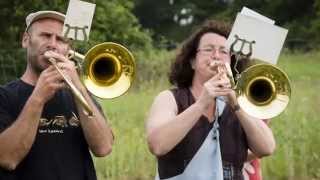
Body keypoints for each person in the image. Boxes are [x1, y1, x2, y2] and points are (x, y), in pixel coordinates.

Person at [145, 20, 276, 180]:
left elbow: (267, 148)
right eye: (208, 49)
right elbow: (157, 145)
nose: (216, 55)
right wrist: (201, 103)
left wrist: (235, 102)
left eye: (223, 51)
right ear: (192, 61)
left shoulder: (239, 103)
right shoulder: (169, 98)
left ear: (231, 61)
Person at [0, 10, 114, 180]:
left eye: (61, 39)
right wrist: (38, 97)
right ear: (26, 40)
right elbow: (7, 159)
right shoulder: (4, 96)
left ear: (68, 49)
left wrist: (79, 87)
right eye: (45, 36)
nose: (52, 44)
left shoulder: (79, 94)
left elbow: (103, 148)